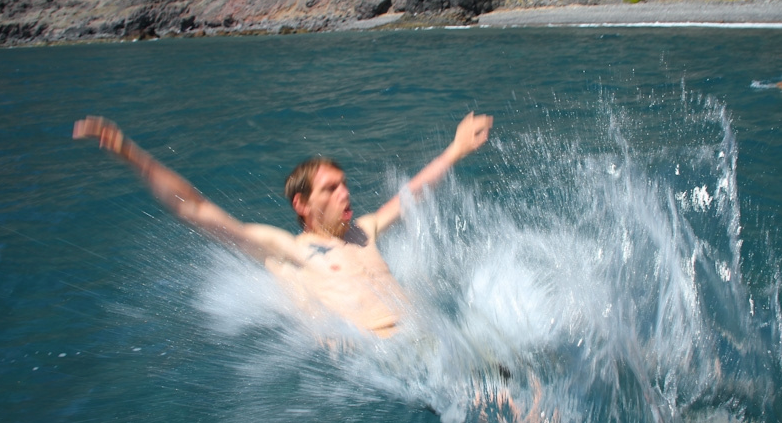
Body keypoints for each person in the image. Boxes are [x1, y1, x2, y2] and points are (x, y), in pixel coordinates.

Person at [72, 112, 493, 338]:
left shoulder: (364, 230)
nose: (344, 193)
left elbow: (412, 193)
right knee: (502, 406)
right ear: (302, 204)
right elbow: (196, 209)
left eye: (344, 184)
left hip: (434, 339)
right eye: (330, 189)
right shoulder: (288, 250)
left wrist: (454, 151)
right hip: (387, 354)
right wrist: (131, 154)